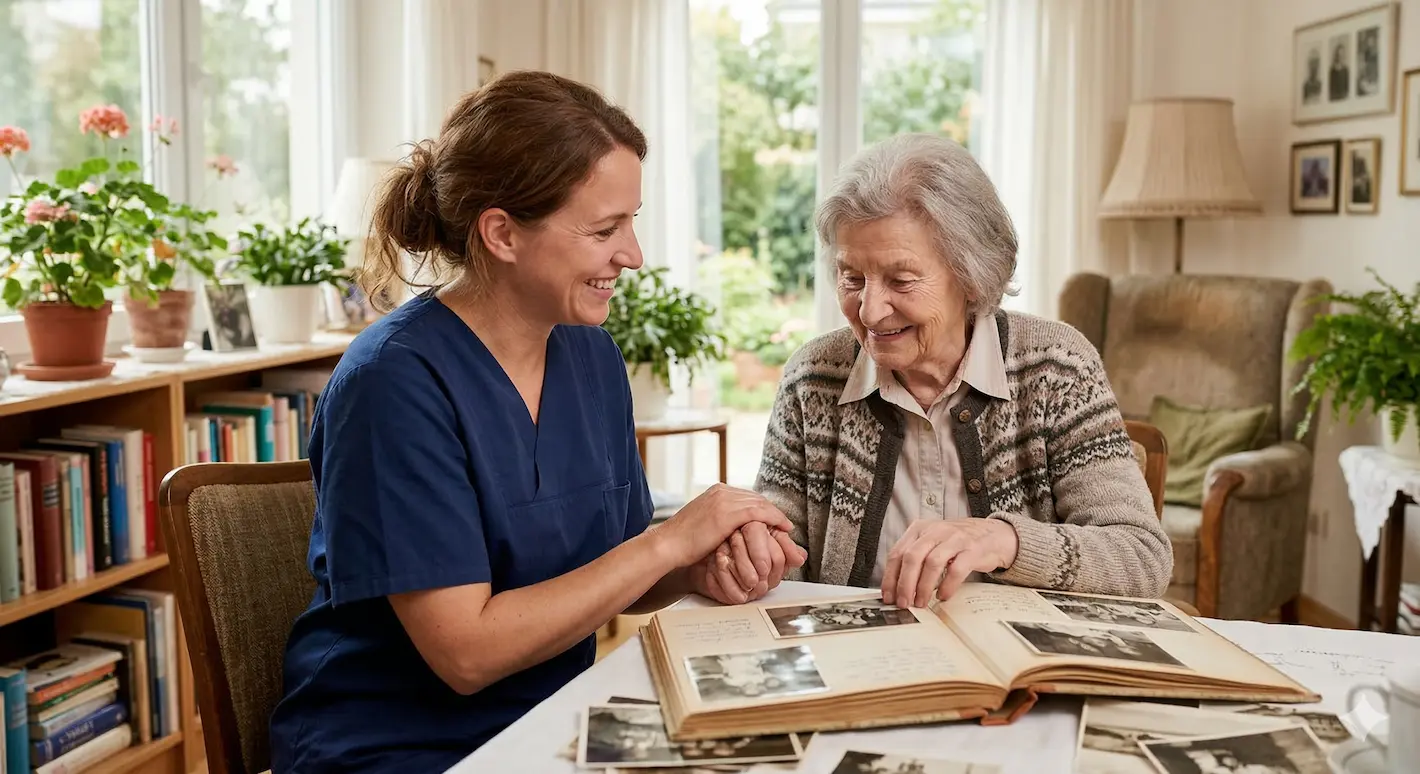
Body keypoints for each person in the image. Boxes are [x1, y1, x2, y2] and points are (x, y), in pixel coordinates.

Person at [268, 71, 805, 773]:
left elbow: (606, 571)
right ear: (502, 233)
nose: (633, 255)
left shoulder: (590, 354)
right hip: (399, 745)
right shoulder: (393, 381)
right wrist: (668, 544)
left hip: (553, 721)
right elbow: (466, 653)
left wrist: (704, 566)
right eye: (605, 228)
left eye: (633, 222)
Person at [755, 133, 1172, 609]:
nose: (869, 312)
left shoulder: (1058, 368)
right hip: (861, 667)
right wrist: (753, 554)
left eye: (901, 280)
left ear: (973, 276)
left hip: (1018, 673)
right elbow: (779, 550)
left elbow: (1140, 557)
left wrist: (1003, 541)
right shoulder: (813, 378)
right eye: (852, 277)